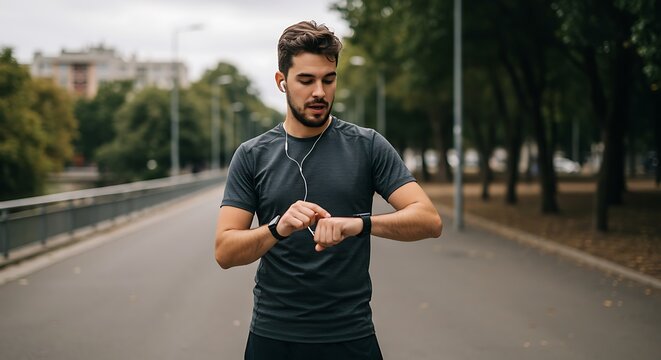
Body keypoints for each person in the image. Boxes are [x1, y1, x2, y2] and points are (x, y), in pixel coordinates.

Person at [214, 20, 443, 360]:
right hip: (274, 337)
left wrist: (360, 224)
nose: (319, 92)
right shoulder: (252, 155)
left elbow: (429, 220)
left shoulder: (367, 146)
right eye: (306, 80)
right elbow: (225, 251)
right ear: (282, 82)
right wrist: (278, 227)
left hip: (350, 336)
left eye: (328, 79)